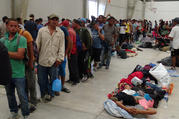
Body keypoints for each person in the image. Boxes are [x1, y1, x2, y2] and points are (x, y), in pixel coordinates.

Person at [0, 18, 29, 119]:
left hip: (19, 73)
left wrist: (5, 53)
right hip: (7, 73)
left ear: (18, 27)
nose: (13, 28)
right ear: (7, 27)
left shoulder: (21, 39)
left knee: (22, 95)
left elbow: (20, 55)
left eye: (15, 26)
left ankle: (25, 114)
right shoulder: (2, 40)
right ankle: (14, 112)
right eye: (11, 26)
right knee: (10, 94)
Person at [36, 14, 65, 102]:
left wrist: (59, 59)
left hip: (54, 61)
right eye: (53, 19)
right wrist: (35, 57)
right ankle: (44, 93)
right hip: (42, 60)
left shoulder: (60, 32)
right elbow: (37, 45)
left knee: (53, 79)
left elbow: (62, 47)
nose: (54, 21)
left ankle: (50, 94)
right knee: (41, 80)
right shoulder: (41, 31)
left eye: (56, 19)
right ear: (49, 20)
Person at [18, 25, 37, 111]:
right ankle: (25, 101)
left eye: (14, 26)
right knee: (23, 84)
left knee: (31, 83)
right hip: (20, 62)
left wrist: (31, 62)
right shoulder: (12, 35)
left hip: (28, 61)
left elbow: (31, 49)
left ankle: (33, 103)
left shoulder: (25, 34)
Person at [63, 20, 80, 85]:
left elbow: (71, 43)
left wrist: (69, 52)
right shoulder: (72, 30)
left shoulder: (69, 32)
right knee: (71, 65)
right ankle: (72, 78)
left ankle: (75, 80)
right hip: (73, 51)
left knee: (73, 66)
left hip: (73, 51)